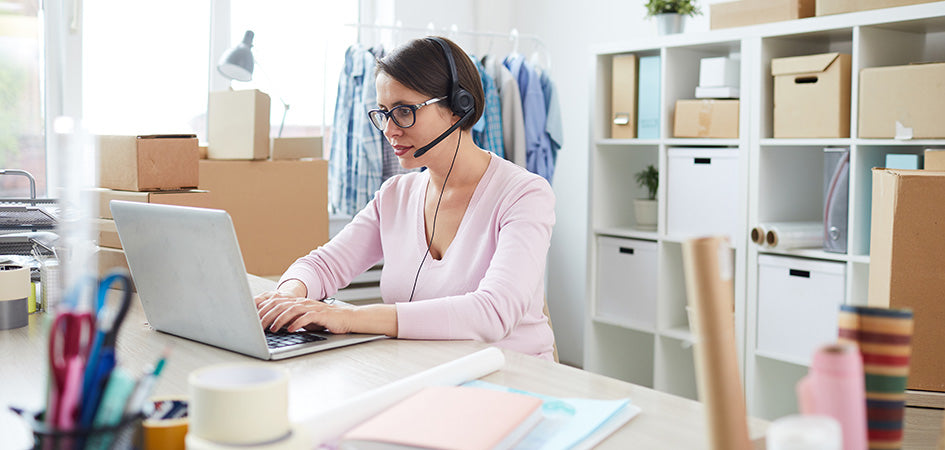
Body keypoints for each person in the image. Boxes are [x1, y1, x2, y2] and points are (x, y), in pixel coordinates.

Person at [254, 36, 557, 360]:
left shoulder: (525, 194)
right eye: (384, 113)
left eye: (403, 111)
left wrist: (349, 317)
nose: (389, 130)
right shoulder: (396, 195)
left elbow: (493, 312)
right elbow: (323, 265)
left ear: (459, 106)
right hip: (427, 372)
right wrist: (288, 297)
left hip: (517, 380)